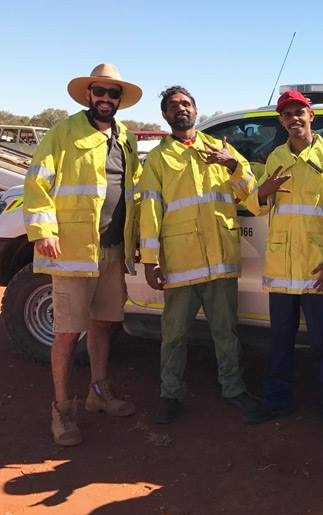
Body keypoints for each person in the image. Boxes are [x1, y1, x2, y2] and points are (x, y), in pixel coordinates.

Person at [24, 63, 143, 446]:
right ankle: (61, 410)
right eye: (100, 92)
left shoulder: (125, 137)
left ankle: (98, 393)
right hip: (73, 250)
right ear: (88, 94)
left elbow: (133, 188)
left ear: (119, 100)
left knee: (103, 323)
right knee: (66, 332)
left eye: (113, 94)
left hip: (112, 248)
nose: (106, 99)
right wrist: (44, 230)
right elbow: (37, 180)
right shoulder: (64, 132)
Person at [139, 86, 260, 425]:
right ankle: (170, 394)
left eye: (186, 103)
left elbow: (251, 196)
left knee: (226, 332)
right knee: (174, 334)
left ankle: (233, 389)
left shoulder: (220, 148)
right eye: (174, 105)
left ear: (196, 109)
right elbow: (149, 210)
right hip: (180, 262)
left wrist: (234, 164)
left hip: (220, 258)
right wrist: (151, 259)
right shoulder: (159, 159)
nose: (181, 109)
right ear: (165, 115)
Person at [244, 90, 323, 439]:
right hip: (281, 268)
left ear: (311, 116)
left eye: (298, 113)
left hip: (318, 267)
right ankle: (278, 400)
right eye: (287, 115)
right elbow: (258, 207)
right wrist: (264, 190)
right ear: (282, 122)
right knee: (280, 341)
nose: (294, 120)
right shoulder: (275, 156)